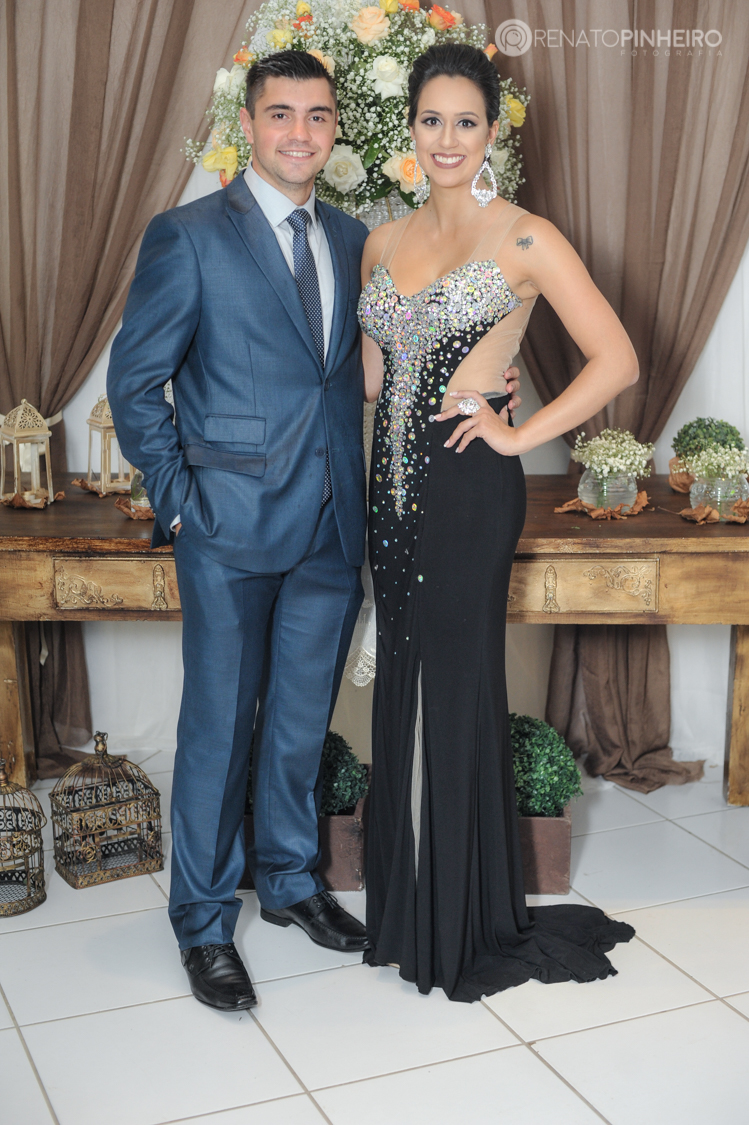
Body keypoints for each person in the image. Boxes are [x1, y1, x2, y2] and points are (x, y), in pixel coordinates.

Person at [108, 48, 523, 1012]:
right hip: (228, 527)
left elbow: (377, 364)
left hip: (336, 526)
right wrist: (180, 500)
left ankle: (291, 880)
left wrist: (480, 376)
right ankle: (203, 922)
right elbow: (134, 383)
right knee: (218, 729)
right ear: (247, 125)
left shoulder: (354, 238)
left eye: (317, 116)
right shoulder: (187, 235)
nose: (300, 132)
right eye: (281, 114)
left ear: (335, 129)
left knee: (301, 722)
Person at [358, 44, 637, 1003]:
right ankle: (409, 907)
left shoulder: (524, 237)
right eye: (431, 120)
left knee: (455, 683)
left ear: (491, 132)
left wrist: (517, 432)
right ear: (409, 127)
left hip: (469, 488)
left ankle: (458, 921)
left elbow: (616, 359)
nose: (447, 139)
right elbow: (371, 379)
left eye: (465, 122)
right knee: (404, 681)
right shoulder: (381, 242)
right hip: (390, 493)